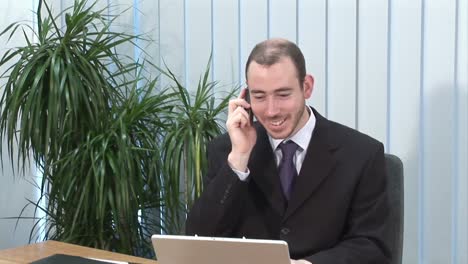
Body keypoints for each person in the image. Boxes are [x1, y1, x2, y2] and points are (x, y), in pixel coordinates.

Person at [185, 38, 391, 264]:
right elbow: (199, 240)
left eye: (283, 94)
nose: (272, 111)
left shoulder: (361, 154)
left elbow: (373, 247)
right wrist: (239, 160)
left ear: (307, 87)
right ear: (246, 97)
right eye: (260, 96)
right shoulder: (227, 150)